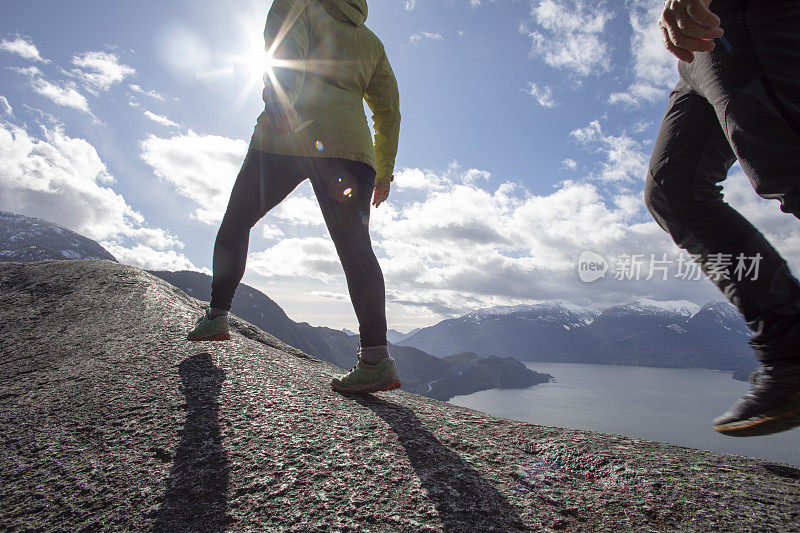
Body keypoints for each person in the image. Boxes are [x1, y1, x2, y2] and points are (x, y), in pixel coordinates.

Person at [187, 0, 402, 394]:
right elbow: (388, 110)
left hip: (288, 136)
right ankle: (376, 358)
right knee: (356, 249)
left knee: (238, 221)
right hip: (351, 150)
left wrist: (280, 106)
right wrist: (384, 170)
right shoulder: (372, 43)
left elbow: (284, 52)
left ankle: (217, 316)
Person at [647, 0, 800, 436]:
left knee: (788, 161)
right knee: (674, 191)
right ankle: (792, 349)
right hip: (696, 56)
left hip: (745, 16)